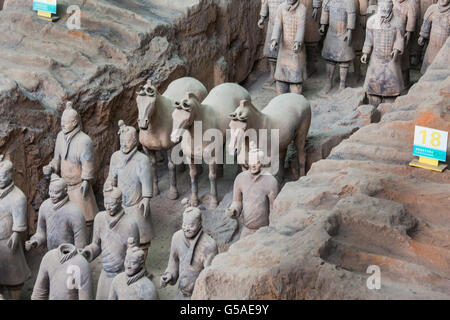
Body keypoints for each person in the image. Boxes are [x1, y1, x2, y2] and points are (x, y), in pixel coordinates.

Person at [43, 101, 98, 237]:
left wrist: (86, 180)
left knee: (86, 218)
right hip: (64, 188)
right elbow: (57, 159)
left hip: (79, 186)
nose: (62, 125)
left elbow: (88, 162)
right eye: (61, 122)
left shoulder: (84, 140)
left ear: (74, 123)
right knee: (66, 220)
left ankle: (87, 246)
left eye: (66, 122)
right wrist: (51, 167)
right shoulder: (60, 137)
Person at [81, 186, 140, 300]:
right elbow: (96, 244)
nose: (108, 207)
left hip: (122, 275)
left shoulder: (130, 224)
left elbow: (134, 255)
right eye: (105, 203)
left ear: (120, 202)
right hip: (105, 274)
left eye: (111, 204)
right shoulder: (99, 218)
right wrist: (88, 251)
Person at [106, 120, 153, 258]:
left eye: (127, 141)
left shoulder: (142, 160)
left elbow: (146, 181)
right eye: (121, 141)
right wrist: (109, 186)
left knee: (142, 238)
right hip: (120, 205)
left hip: (136, 204)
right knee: (120, 238)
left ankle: (141, 267)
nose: (123, 145)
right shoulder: (115, 157)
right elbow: (111, 178)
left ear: (135, 141)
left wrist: (146, 198)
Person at [160, 207, 218, 300]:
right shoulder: (177, 237)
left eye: (191, 225)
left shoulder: (209, 245)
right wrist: (169, 275)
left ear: (199, 223)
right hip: (180, 294)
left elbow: (210, 279)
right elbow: (173, 263)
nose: (186, 228)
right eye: (184, 224)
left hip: (199, 296)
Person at [226, 143, 279, 239]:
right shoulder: (240, 178)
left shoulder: (271, 181)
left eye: (257, 163)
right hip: (247, 229)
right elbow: (237, 201)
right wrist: (234, 209)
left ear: (262, 163)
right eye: (251, 162)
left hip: (264, 230)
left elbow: (274, 209)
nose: (253, 166)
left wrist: (272, 230)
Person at [25, 174, 88, 251]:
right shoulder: (44, 206)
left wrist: (73, 256)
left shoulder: (75, 212)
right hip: (51, 255)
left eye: (56, 192)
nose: (52, 195)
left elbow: (81, 246)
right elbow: (41, 233)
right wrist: (34, 241)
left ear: (65, 191)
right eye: (50, 191)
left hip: (69, 257)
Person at [361, 0, 405, 106]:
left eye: (387, 8)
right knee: (373, 86)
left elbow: (400, 38)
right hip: (376, 59)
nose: (385, 10)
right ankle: (374, 100)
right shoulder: (371, 21)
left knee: (393, 85)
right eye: (382, 8)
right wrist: (365, 53)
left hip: (391, 59)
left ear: (392, 6)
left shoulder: (398, 21)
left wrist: (397, 49)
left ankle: (390, 100)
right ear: (379, 6)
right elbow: (368, 39)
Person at [0, 155, 31, 300]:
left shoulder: (18, 197)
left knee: (14, 275)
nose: (0, 179)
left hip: (8, 241)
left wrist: (16, 234)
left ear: (11, 175)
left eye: (3, 176)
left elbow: (19, 221)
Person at [271, 0, 308, 94]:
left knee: (296, 81)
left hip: (296, 50)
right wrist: (274, 39)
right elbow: (277, 25)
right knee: (280, 79)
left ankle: (294, 96)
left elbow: (301, 27)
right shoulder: (281, 8)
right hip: (284, 49)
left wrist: (298, 42)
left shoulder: (302, 9)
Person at [320, 0, 357, 92]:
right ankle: (328, 83)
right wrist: (323, 26)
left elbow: (351, 15)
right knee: (329, 59)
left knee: (344, 61)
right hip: (331, 33)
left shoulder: (349, 2)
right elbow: (325, 12)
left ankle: (342, 84)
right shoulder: (328, 1)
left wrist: (350, 31)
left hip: (343, 33)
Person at [258, 0, 286, 89]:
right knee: (271, 52)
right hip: (272, 25)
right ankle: (272, 75)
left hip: (284, 26)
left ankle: (282, 75)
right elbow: (265, 3)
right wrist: (262, 18)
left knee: (284, 51)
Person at [418, 0, 450, 73]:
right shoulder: (432, 9)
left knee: (441, 72)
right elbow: (426, 24)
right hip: (432, 46)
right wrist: (422, 36)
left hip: (445, 49)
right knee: (428, 70)